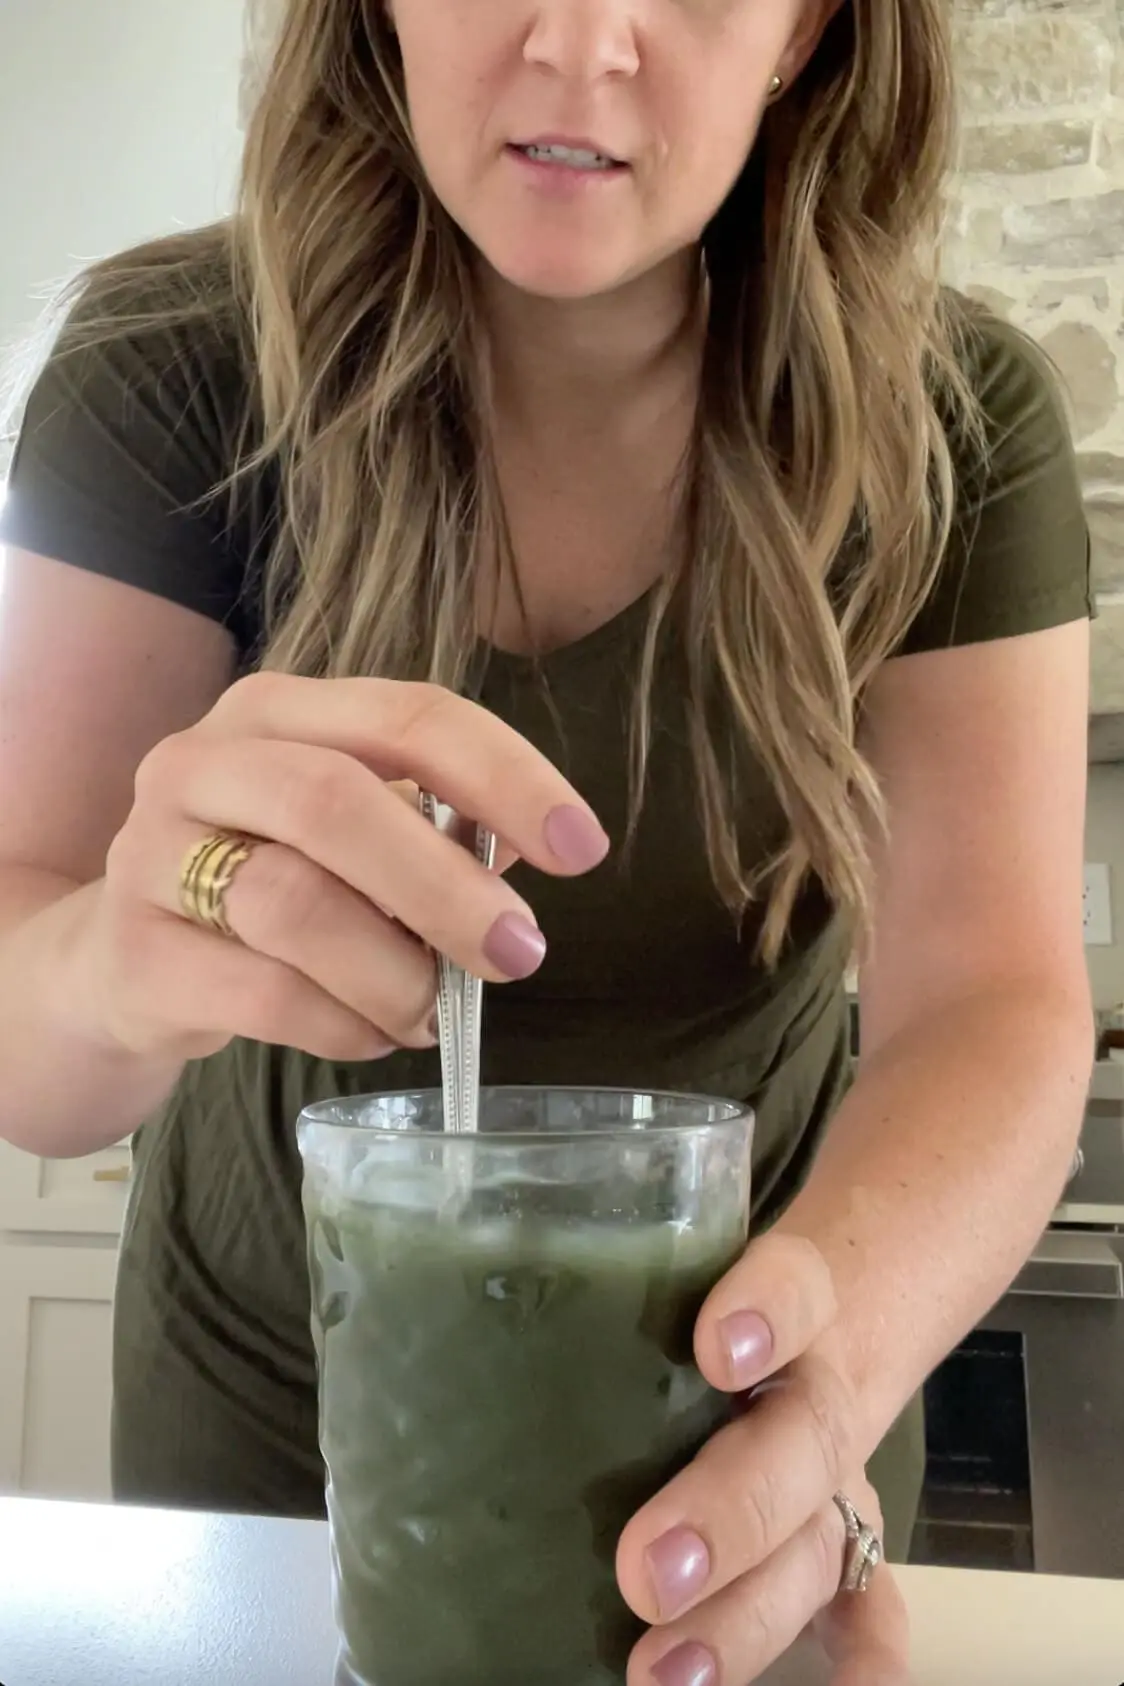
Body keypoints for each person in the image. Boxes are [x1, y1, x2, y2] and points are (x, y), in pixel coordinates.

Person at [0, 0, 1093, 1679]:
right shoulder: (171, 367)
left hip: (749, 1451)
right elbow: (37, 1056)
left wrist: (829, 1377)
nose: (584, 43)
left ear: (810, 31)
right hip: (275, 1474)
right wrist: (119, 946)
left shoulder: (953, 424)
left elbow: (994, 1003)